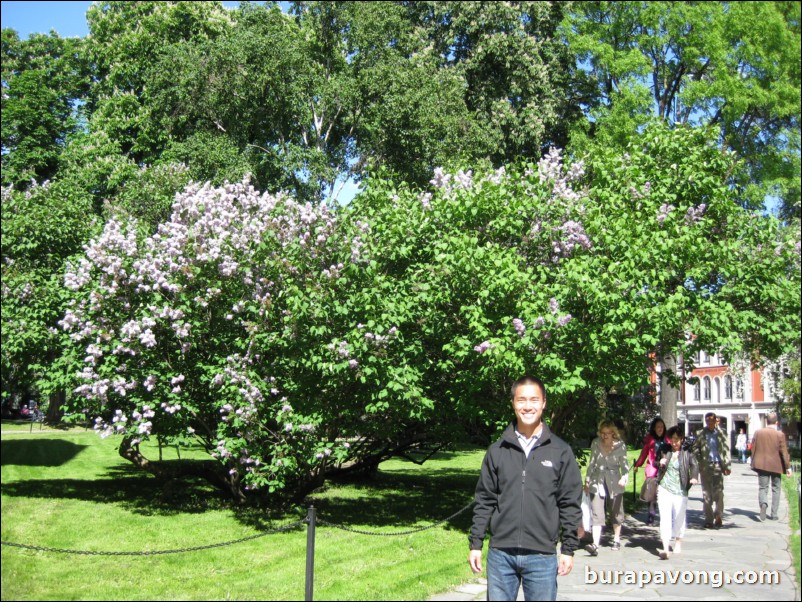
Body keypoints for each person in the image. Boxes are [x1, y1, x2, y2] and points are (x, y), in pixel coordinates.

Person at [469, 376, 583, 601]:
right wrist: (476, 543)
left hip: (542, 555)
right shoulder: (498, 450)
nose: (528, 406)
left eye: (534, 400)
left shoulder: (560, 451)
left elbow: (570, 503)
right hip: (501, 554)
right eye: (521, 400)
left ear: (544, 403)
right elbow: (485, 499)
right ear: (513, 403)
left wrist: (568, 548)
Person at [583, 420, 630, 554]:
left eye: (608, 433)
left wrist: (624, 477)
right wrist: (587, 481)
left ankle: (616, 539)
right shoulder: (596, 443)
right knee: (597, 512)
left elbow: (625, 465)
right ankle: (595, 544)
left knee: (615, 512)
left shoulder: (620, 445)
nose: (604, 436)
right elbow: (591, 463)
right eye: (602, 433)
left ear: (613, 434)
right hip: (597, 480)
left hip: (614, 481)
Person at [655, 426, 699, 560]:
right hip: (665, 488)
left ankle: (678, 541)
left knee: (679, 517)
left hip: (680, 489)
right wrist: (659, 462)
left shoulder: (687, 451)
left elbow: (694, 465)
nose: (674, 443)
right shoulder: (664, 449)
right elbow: (655, 462)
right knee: (665, 517)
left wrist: (694, 477)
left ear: (681, 439)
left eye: (677, 440)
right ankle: (665, 547)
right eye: (672, 440)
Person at [691, 412, 731, 528]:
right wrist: (700, 461)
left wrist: (727, 466)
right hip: (706, 466)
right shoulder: (700, 433)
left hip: (718, 465)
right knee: (706, 494)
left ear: (715, 421)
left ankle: (718, 515)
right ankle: (709, 519)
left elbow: (726, 450)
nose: (709, 423)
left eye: (711, 420)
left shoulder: (722, 433)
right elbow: (695, 448)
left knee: (718, 492)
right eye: (707, 420)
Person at [750, 413, 792, 521]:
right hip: (776, 465)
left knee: (763, 487)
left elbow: (753, 448)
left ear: (766, 421)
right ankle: (774, 514)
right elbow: (784, 452)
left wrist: (753, 461)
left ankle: (763, 503)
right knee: (776, 489)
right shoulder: (780, 435)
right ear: (776, 422)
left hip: (761, 464)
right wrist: (788, 467)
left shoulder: (758, 432)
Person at [633, 417, 670, 525]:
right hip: (653, 468)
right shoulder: (650, 440)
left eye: (661, 427)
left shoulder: (667, 440)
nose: (660, 429)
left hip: (665, 469)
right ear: (654, 428)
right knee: (651, 493)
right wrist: (637, 464)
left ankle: (665, 515)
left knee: (664, 493)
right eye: (658, 427)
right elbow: (644, 453)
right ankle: (651, 514)